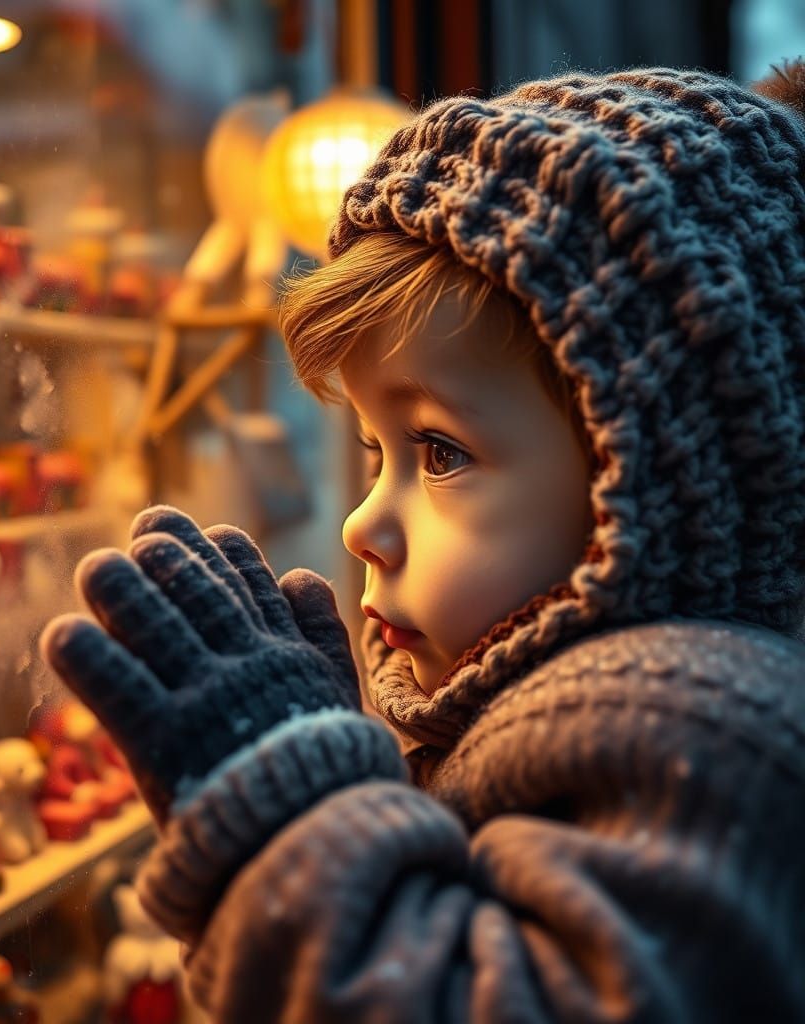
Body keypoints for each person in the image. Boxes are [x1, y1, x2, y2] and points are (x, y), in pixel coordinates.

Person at [42, 63, 805, 1022]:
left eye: (438, 451)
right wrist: (341, 765)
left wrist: (288, 812)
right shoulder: (596, 700)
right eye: (375, 450)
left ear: (655, 485)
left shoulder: (709, 731)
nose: (363, 525)